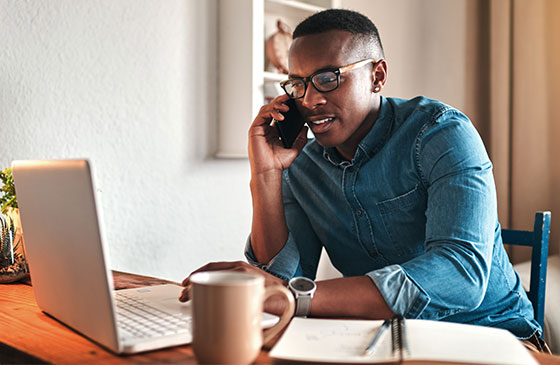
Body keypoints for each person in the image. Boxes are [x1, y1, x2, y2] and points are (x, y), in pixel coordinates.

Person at [181, 9, 549, 352]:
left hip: (491, 336)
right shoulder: (303, 163)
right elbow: (281, 281)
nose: (309, 100)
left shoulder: (441, 133)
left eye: (328, 78)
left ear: (377, 76)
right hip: (379, 338)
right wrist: (266, 176)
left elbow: (460, 274)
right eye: (297, 84)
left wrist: (298, 297)